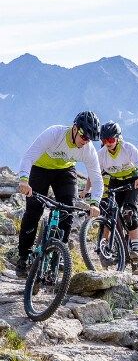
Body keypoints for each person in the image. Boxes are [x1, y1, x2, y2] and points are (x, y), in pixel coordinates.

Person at [16, 111, 103, 277]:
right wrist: (23, 180)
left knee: (67, 211)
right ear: (75, 128)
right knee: (34, 211)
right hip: (40, 169)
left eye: (90, 139)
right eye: (84, 137)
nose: (85, 142)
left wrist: (95, 203)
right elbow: (28, 156)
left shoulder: (87, 149)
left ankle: (58, 254)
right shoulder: (54, 133)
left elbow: (97, 178)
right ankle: (23, 256)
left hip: (64, 172)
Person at [94, 122, 138, 265]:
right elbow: (93, 175)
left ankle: (136, 247)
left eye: (111, 140)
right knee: (109, 215)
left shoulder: (128, 148)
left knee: (129, 212)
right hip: (116, 182)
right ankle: (106, 246)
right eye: (104, 141)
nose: (108, 143)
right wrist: (87, 191)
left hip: (132, 182)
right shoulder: (101, 154)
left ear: (118, 138)